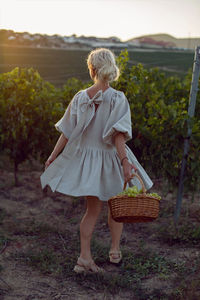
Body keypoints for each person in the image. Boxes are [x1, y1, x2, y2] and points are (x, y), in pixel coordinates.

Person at [40, 48, 153, 273]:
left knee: (92, 211)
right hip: (111, 160)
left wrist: (53, 156)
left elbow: (66, 132)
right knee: (116, 208)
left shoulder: (81, 97)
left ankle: (84, 258)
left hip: (89, 164)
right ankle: (114, 252)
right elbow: (118, 134)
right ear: (110, 69)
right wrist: (124, 162)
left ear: (91, 69)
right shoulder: (117, 98)